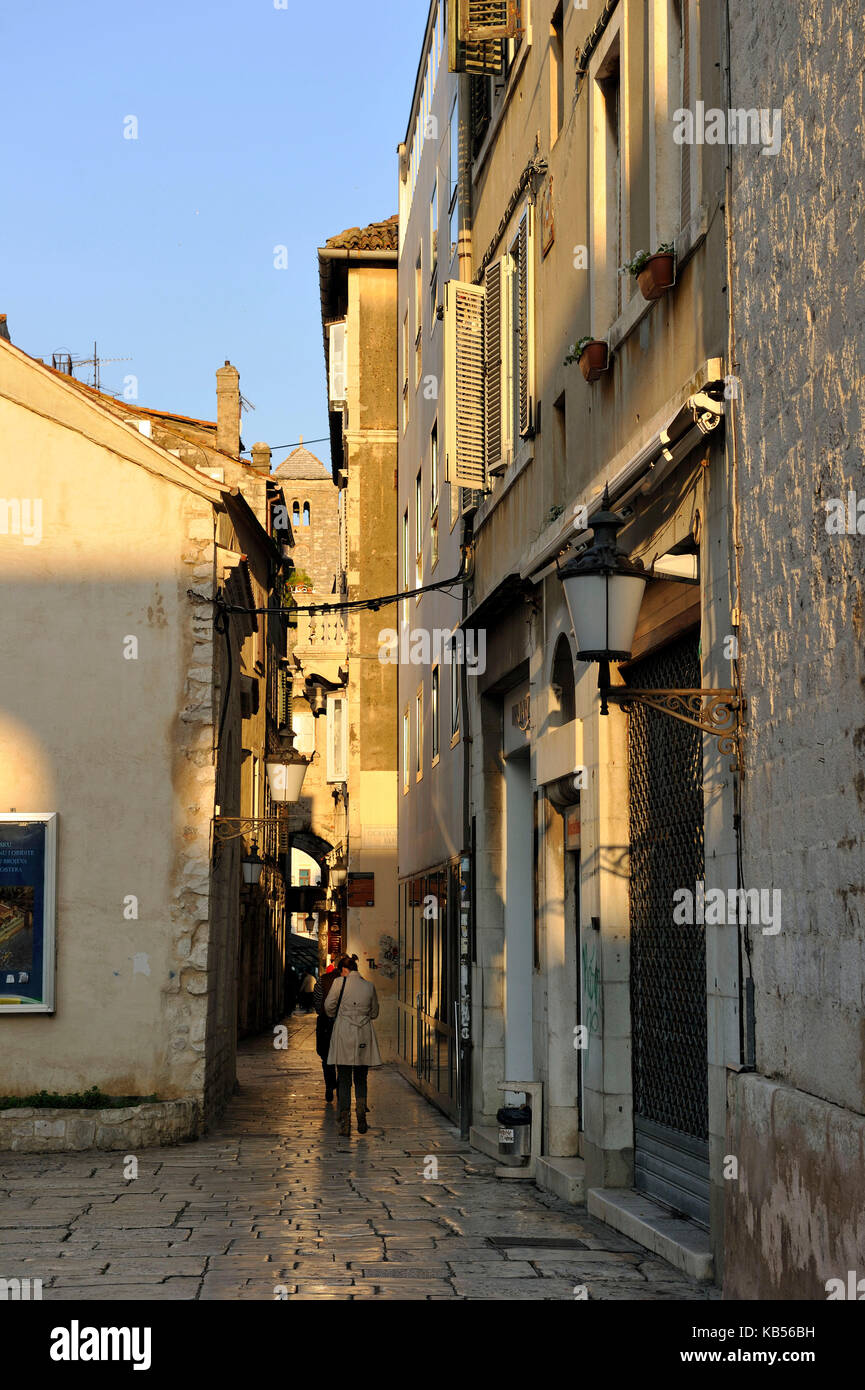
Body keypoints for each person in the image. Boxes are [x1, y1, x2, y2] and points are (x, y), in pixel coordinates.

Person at [324, 954, 382, 1137]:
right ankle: (361, 1111)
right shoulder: (369, 986)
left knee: (344, 1078)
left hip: (344, 1034)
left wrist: (341, 1015)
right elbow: (374, 1012)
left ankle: (345, 1120)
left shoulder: (339, 983)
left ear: (344, 970)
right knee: (361, 1077)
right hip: (363, 1033)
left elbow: (328, 1007)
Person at [313, 958, 340, 1102]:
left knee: (326, 1057)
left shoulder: (322, 980)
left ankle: (329, 1086)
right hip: (343, 1022)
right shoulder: (346, 982)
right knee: (342, 1057)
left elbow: (317, 1002)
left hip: (325, 1023)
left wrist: (322, 1013)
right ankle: (341, 1086)